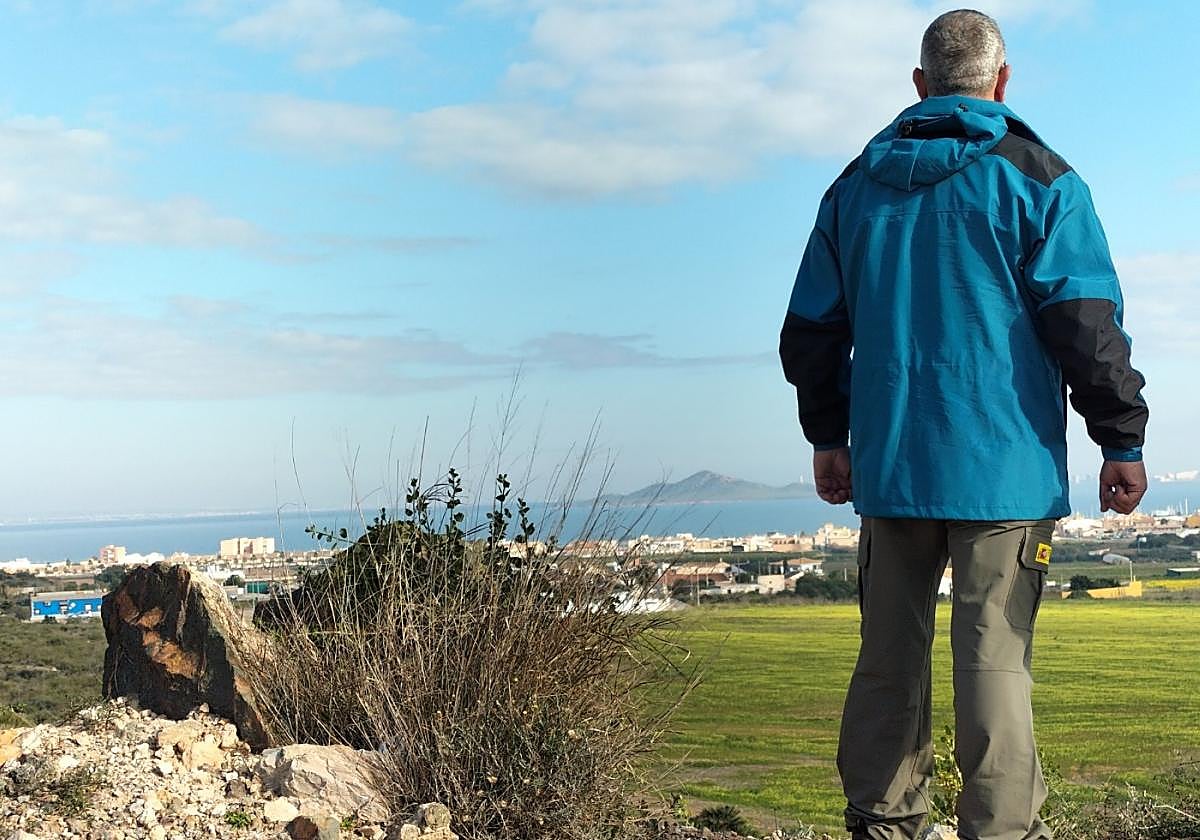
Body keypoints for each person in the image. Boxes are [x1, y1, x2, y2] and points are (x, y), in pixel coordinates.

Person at [778, 9, 1148, 840]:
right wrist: (1119, 437)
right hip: (1005, 473)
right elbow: (1085, 323)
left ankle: (884, 825)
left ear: (919, 87)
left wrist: (828, 437)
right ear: (1002, 82)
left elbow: (810, 329)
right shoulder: (1043, 178)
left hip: (893, 467)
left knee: (887, 664)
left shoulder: (851, 187)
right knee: (993, 665)